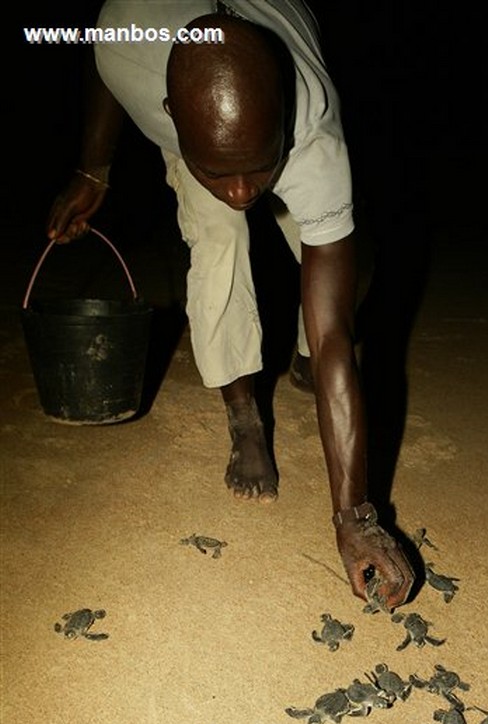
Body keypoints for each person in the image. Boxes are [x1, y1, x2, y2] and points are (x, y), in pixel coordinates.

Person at [47, 0, 414, 609]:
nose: (244, 192)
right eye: (224, 171)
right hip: (201, 122)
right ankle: (245, 419)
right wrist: (94, 169)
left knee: (343, 285)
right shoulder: (124, 34)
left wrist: (355, 515)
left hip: (284, 125)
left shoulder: (312, 127)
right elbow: (105, 67)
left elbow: (336, 342)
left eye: (255, 170)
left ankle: (300, 364)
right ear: (168, 113)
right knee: (220, 239)